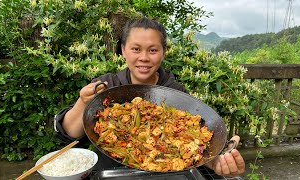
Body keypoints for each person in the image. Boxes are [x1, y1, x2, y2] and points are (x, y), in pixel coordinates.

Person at [54, 17, 245, 178]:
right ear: (122, 50)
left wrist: (215, 163)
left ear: (163, 52)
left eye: (153, 50)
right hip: (111, 173)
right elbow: (69, 134)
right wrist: (83, 102)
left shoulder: (175, 92)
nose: (144, 57)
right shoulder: (106, 86)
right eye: (136, 49)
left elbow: (197, 150)